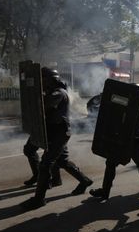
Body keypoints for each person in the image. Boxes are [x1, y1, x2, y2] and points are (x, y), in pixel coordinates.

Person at [20, 68, 93, 210]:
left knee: (45, 164)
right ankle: (84, 181)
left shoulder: (58, 93)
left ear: (51, 80)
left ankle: (39, 199)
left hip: (59, 133)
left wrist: (35, 92)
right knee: (62, 161)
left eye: (44, 79)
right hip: (53, 131)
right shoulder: (52, 92)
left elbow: (43, 104)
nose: (43, 82)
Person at [89, 93, 139, 202]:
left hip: (135, 143)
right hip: (123, 141)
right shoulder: (131, 105)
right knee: (111, 164)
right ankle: (105, 191)